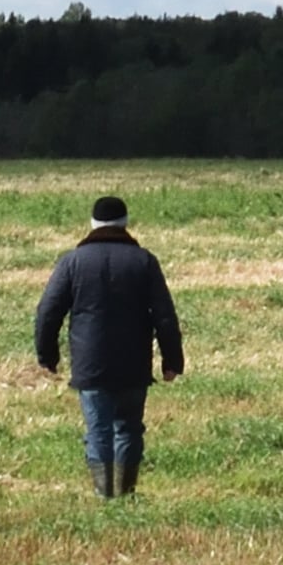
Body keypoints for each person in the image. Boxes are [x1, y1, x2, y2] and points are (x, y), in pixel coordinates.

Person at [34, 194, 184, 498]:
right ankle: (125, 493)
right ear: (126, 224)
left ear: (92, 224)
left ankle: (105, 496)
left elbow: (48, 312)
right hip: (133, 362)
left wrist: (47, 356)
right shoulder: (144, 261)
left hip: (91, 363)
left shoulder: (73, 262)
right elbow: (165, 316)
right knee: (128, 428)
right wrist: (172, 361)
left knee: (98, 430)